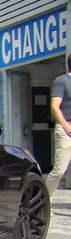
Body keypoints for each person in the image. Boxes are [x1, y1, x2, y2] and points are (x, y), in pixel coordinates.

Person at [48, 53, 71, 195]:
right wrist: (66, 126)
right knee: (59, 170)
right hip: (66, 129)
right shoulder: (61, 81)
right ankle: (43, 199)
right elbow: (54, 107)